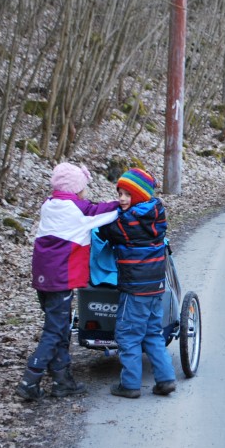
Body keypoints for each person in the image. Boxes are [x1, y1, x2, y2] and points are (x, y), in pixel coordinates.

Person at [16, 163, 119, 401]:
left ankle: (62, 381)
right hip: (61, 278)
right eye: (84, 187)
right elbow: (109, 211)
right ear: (77, 188)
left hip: (42, 277)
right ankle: (30, 379)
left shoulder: (48, 204)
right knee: (54, 330)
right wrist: (125, 202)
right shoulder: (80, 210)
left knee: (60, 326)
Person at [96, 168, 178, 398]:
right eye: (120, 194)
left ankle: (130, 385)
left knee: (128, 335)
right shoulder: (156, 213)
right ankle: (166, 379)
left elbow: (104, 231)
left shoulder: (126, 223)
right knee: (152, 333)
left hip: (135, 290)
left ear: (140, 196)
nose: (122, 199)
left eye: (127, 194)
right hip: (156, 287)